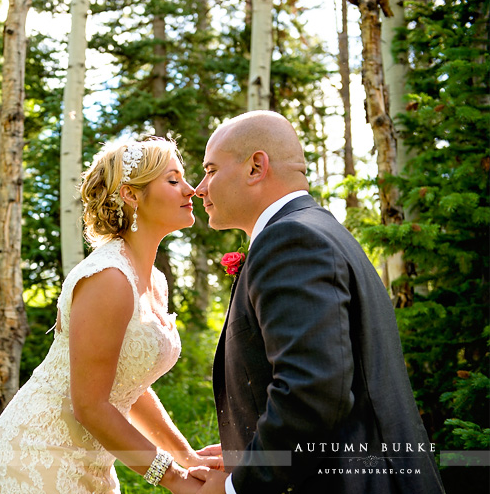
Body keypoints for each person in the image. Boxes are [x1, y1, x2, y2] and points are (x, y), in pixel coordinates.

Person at [188, 111, 445, 494]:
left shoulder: (291, 241)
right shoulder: (318, 230)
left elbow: (311, 393)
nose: (199, 187)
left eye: (210, 170)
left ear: (256, 167)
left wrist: (237, 487)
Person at [0, 138, 220, 493]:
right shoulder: (109, 279)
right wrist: (174, 478)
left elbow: (128, 386)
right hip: (37, 457)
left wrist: (187, 457)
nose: (191, 190)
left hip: (91, 460)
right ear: (131, 195)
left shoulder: (154, 281)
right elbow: (90, 405)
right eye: (173, 180)